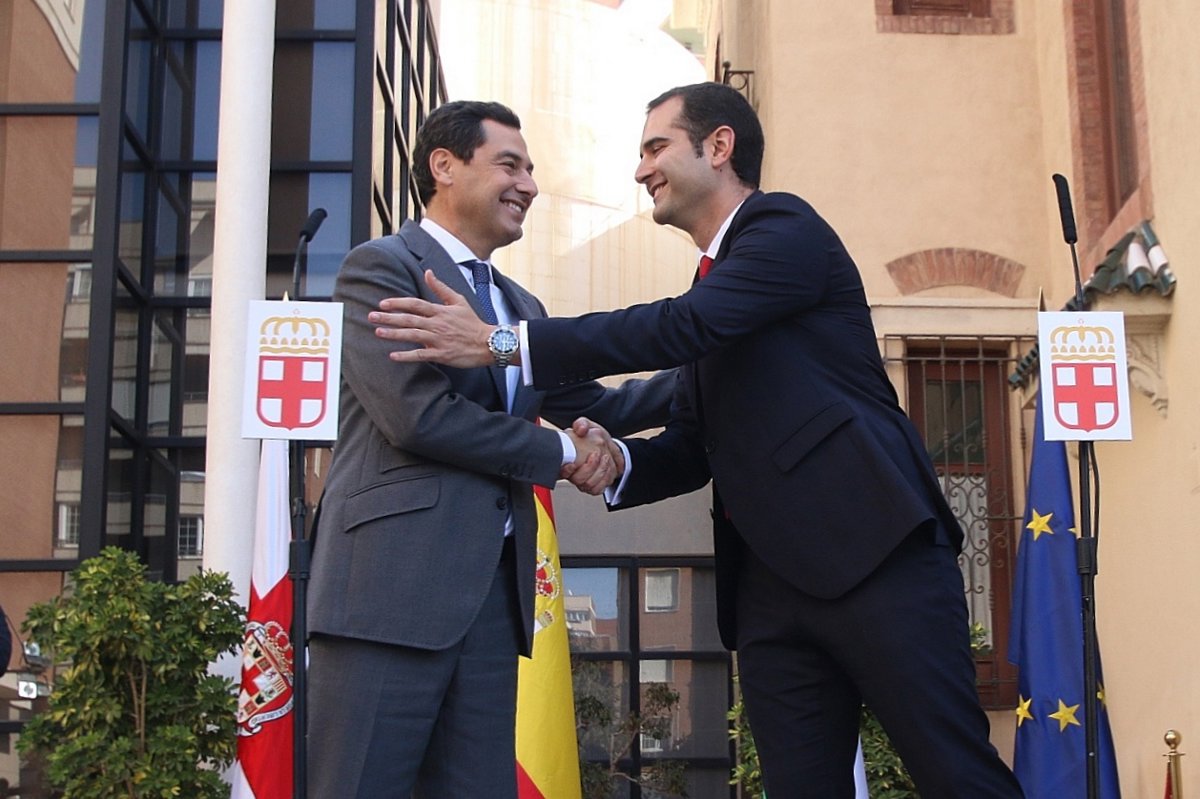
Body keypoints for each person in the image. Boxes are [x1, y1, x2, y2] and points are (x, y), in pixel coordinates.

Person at [370, 83, 1024, 798]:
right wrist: (612, 462)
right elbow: (689, 443)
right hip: (768, 590)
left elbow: (682, 325)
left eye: (656, 147)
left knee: (957, 774)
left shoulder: (784, 230)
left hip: (876, 557)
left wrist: (503, 343)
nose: (641, 169)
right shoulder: (716, 285)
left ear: (719, 147)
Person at [305, 100, 674, 799]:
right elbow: (418, 417)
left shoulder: (521, 309)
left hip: (490, 609)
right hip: (386, 597)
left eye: (530, 169)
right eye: (510, 164)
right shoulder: (380, 269)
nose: (528, 184)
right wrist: (561, 453)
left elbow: (601, 408)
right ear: (444, 166)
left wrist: (709, 374)